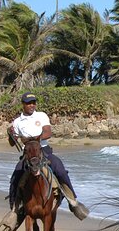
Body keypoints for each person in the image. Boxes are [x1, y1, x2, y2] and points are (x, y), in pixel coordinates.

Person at [5, 92, 88, 221]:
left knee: (60, 170)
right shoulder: (17, 122)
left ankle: (73, 201)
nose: (31, 105)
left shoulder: (41, 116)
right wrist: (11, 136)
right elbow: (12, 143)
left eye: (33, 102)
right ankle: (14, 211)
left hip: (44, 150)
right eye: (28, 103)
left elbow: (48, 132)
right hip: (27, 153)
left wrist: (33, 140)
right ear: (23, 104)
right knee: (15, 176)